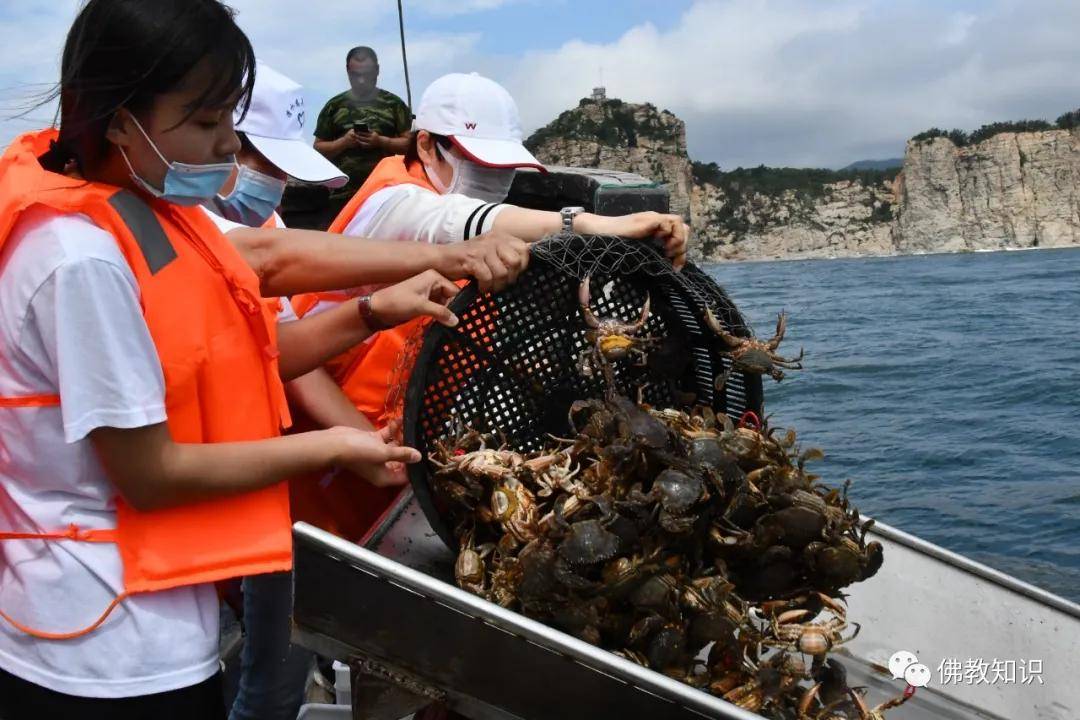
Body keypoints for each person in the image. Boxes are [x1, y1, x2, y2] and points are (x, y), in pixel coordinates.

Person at [0, 3, 527, 718]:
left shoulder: (137, 208)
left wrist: (394, 294)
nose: (223, 148)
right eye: (204, 123)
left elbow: (262, 267)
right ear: (119, 117)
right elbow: (150, 475)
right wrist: (328, 446)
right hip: (94, 649)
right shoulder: (79, 260)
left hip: (153, 621)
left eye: (230, 124)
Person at [290, 72, 689, 539]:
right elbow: (459, 220)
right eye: (480, 165)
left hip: (397, 461)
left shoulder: (481, 243)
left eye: (503, 170)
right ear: (425, 146)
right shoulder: (390, 203)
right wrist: (591, 224)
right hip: (317, 455)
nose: (493, 181)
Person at [204, 62, 380, 720]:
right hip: (185, 481)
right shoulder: (184, 221)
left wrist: (362, 443)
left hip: (256, 481)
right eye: (265, 163)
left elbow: (287, 356)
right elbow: (268, 264)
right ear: (220, 139)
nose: (274, 183)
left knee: (277, 644)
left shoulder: (266, 216)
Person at [313, 46, 412, 219]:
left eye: (366, 75)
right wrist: (343, 142)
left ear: (377, 71)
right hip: (343, 197)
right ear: (347, 71)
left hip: (385, 193)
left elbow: (410, 145)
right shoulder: (334, 106)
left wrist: (380, 141)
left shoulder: (394, 104)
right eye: (355, 75)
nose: (361, 81)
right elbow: (318, 148)